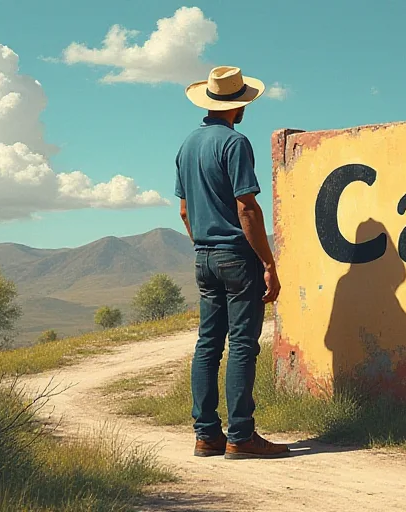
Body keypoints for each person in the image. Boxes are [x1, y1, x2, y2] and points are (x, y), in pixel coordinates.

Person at [175, 66, 287, 459]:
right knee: (242, 344)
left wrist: (204, 247)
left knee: (208, 345)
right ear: (238, 106)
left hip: (203, 256)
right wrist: (268, 263)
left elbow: (186, 211)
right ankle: (241, 436)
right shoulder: (235, 143)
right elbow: (247, 208)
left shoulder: (188, 145)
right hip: (237, 258)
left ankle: (206, 436)